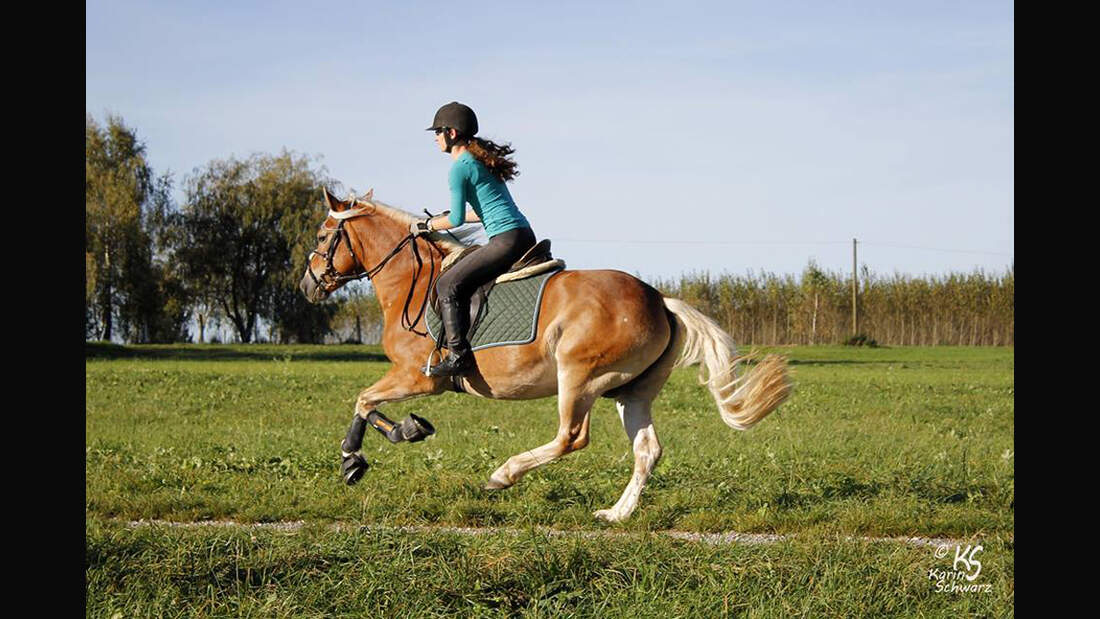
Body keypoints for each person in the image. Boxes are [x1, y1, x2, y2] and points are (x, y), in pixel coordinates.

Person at [410, 101, 537, 377]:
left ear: (451, 133)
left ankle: (458, 356)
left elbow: (454, 220)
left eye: (437, 132)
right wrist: (445, 216)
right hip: (522, 234)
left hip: (505, 239)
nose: (435, 138)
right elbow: (478, 214)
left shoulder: (459, 168)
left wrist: (427, 224)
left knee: (446, 284)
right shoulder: (479, 159)